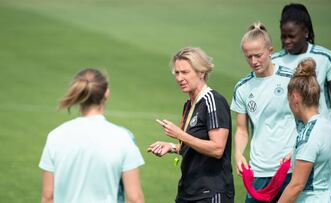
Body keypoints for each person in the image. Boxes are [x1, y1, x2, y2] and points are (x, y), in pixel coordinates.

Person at [272, 3, 331, 202]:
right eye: (283, 36)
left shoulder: (325, 57)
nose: (286, 41)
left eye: (292, 36)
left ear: (305, 32)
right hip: (289, 142)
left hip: (321, 137)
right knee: (292, 191)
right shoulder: (274, 61)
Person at [39, 68, 145, 203]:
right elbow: (135, 199)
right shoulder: (123, 137)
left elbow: (48, 196)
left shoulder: (55, 136)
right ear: (106, 93)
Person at [147, 47, 235, 203]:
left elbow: (217, 149)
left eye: (185, 72)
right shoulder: (189, 104)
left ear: (201, 72)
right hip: (188, 192)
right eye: (177, 73)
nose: (179, 78)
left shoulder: (213, 101)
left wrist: (180, 135)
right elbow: (195, 145)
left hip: (210, 193)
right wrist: (172, 147)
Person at [231, 22, 297, 203]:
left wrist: (297, 149)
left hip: (291, 168)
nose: (254, 61)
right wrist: (238, 154)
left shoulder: (291, 79)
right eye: (248, 57)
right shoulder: (243, 88)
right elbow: (242, 130)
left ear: (270, 50)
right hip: (259, 171)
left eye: (258, 55)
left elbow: (307, 121)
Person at [278, 58, 331, 203]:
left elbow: (296, 185)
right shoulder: (327, 125)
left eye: (289, 98)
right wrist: (296, 153)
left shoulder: (308, 134)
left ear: (295, 97)